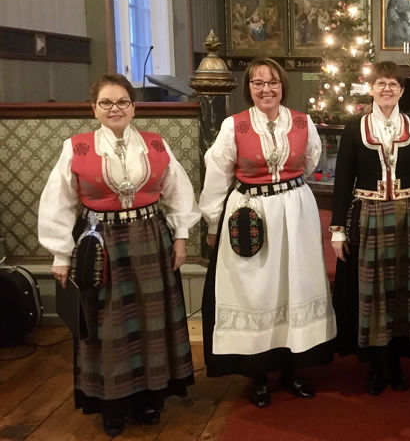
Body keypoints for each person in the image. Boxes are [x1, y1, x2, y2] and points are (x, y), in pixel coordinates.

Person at [38, 73, 199, 437]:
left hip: (150, 237)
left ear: (133, 107)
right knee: (108, 325)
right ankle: (113, 404)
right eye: (106, 103)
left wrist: (181, 237)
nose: (115, 109)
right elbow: (58, 202)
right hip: (100, 243)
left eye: (122, 102)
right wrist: (61, 254)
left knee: (151, 318)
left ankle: (150, 398)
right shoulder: (76, 148)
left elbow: (177, 191)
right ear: (93, 109)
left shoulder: (156, 144)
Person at [199, 58, 336, 408]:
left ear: (282, 86)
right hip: (250, 213)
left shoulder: (303, 122)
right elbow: (217, 174)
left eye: (273, 82)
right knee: (256, 290)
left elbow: (310, 161)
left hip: (296, 213)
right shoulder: (234, 126)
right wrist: (213, 223)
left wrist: (287, 193)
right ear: (249, 88)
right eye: (258, 83)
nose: (266, 89)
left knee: (294, 285)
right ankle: (258, 374)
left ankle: (291, 368)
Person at [330, 61, 410, 396]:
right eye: (381, 83)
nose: (387, 89)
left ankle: (396, 362)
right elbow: (343, 180)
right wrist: (338, 228)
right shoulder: (355, 127)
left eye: (393, 84)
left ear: (402, 90)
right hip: (368, 216)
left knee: (403, 290)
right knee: (374, 294)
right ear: (371, 88)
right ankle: (376, 364)